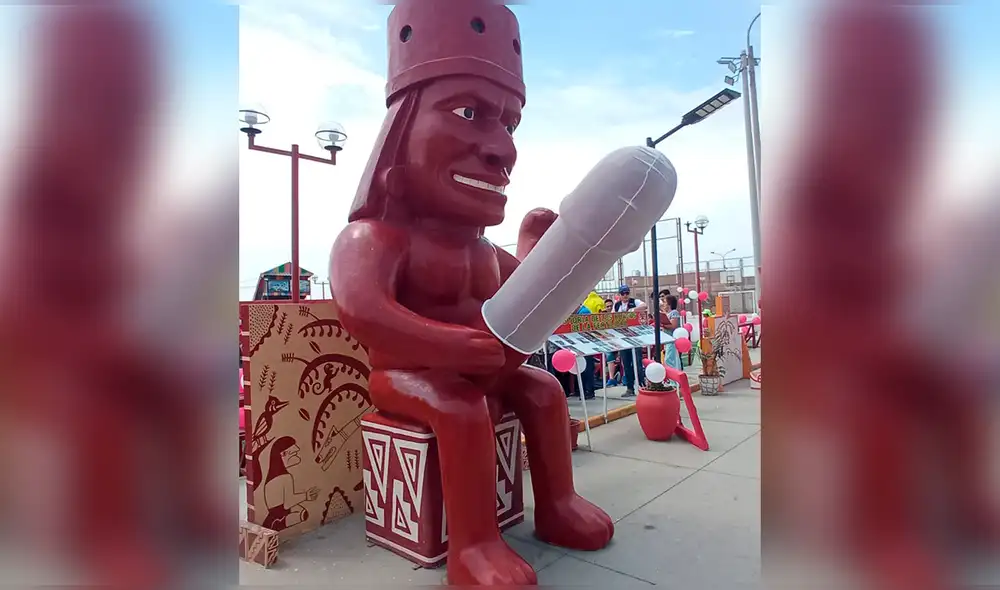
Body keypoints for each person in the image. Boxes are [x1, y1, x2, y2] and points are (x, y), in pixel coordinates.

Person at [612, 285, 645, 396]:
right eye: (623, 293)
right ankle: (630, 388)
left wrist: (632, 310)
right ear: (619, 295)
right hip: (623, 338)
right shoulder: (616, 306)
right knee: (626, 364)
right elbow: (612, 317)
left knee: (638, 363)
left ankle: (642, 386)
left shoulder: (634, 301)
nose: (625, 295)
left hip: (635, 337)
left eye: (627, 293)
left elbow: (644, 306)